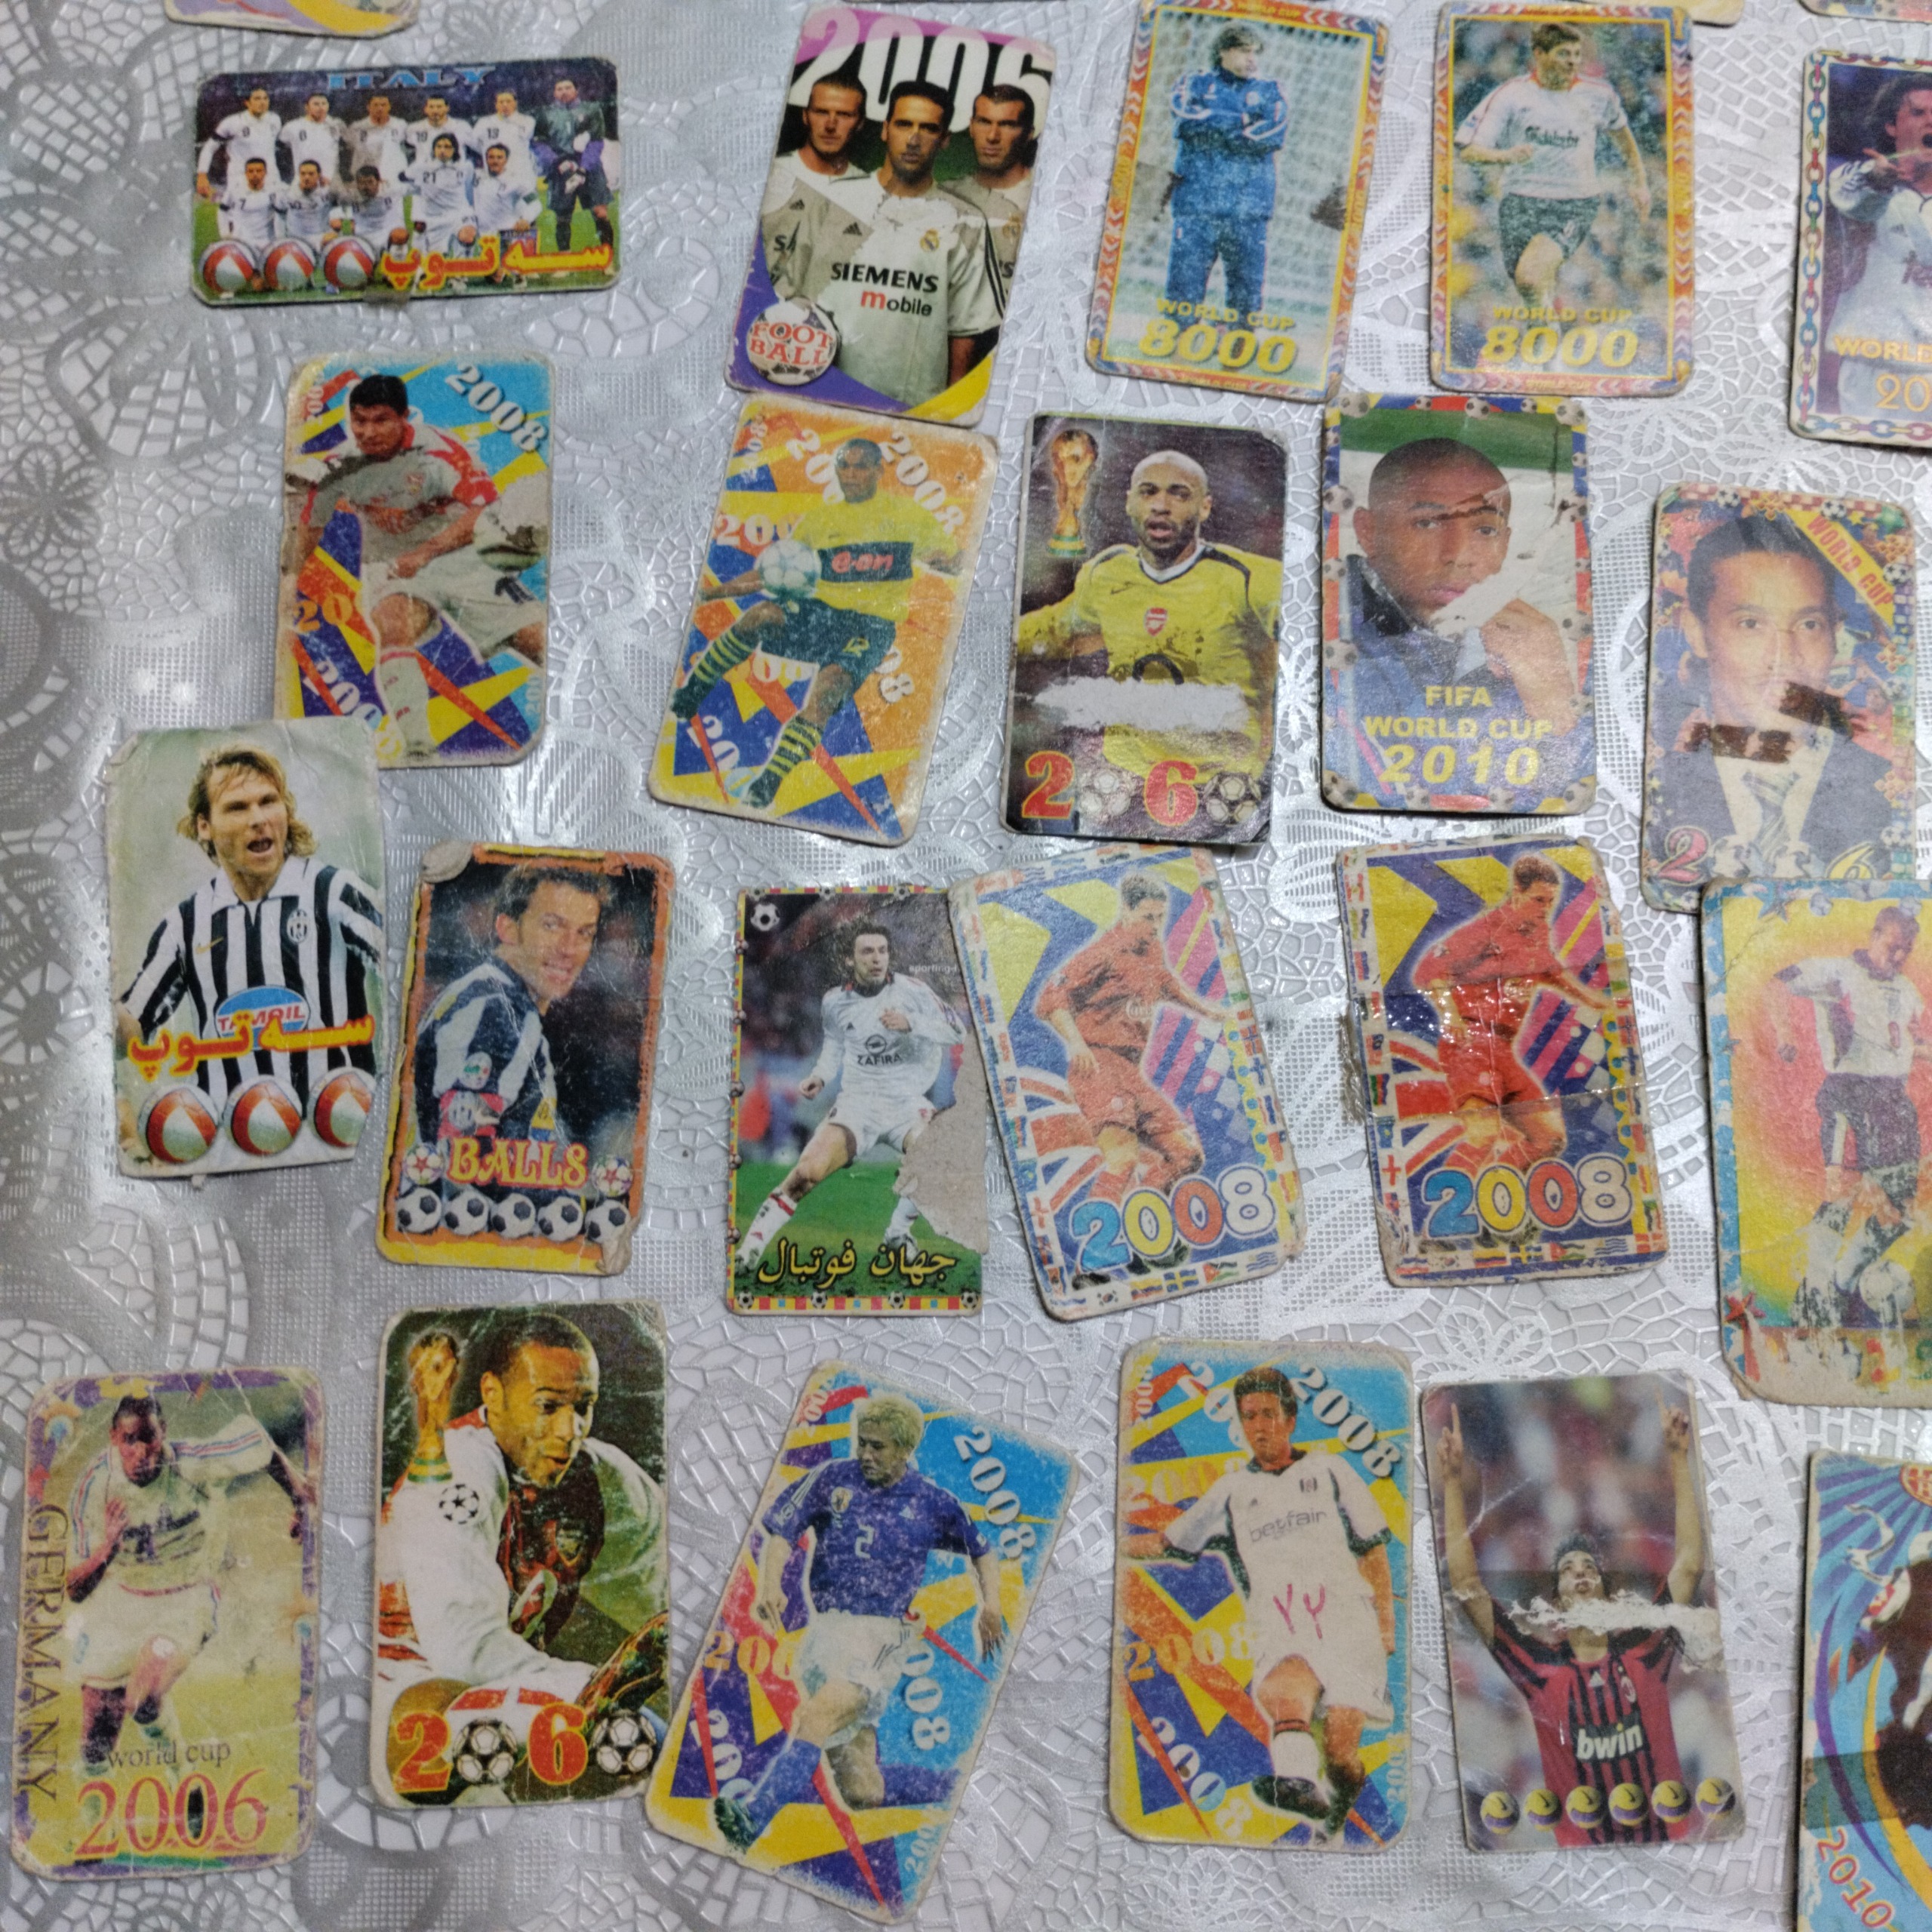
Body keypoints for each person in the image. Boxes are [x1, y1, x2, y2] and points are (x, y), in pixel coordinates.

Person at [374, 1312, 666, 1795]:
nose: (570, 1429)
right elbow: (463, 1649)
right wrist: (585, 1686)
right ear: (493, 1394)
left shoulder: (599, 1478)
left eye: (584, 1407)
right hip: (408, 1686)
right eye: (548, 1406)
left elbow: (668, 1602)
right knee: (435, 1710)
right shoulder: (456, 1471)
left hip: (508, 1688)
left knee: (648, 1736)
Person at [712, 1393, 1002, 1848]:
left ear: (905, 1449)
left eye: (878, 1447)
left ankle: (754, 1816)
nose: (866, 1454)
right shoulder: (833, 1479)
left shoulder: (930, 1501)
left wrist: (992, 1605)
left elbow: (982, 1549)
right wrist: (770, 1584)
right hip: (825, 1634)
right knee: (863, 1790)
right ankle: (958, 1785)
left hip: (878, 1635)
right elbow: (782, 1531)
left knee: (816, 1716)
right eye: (862, 1443)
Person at [1124, 1367, 1395, 1832]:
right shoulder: (1231, 1492)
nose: (1259, 1426)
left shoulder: (1330, 1471)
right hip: (1284, 1628)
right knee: (1284, 1694)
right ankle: (1297, 1784)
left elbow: (1372, 1549)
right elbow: (1169, 1542)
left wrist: (1386, 1625)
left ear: (1290, 1420)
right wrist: (1116, 1544)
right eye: (1249, 1417)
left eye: (1268, 1414)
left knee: (1339, 1752)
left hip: (1348, 1626)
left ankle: (1340, 1796)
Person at [1435, 1397, 1705, 1847]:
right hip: (1580, 1856)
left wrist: (1678, 1461)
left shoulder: (1644, 1653)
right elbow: (1466, 1585)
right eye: (1567, 1571)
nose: (1580, 1575)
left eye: (1589, 1570)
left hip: (1662, 1845)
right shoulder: (1540, 1668)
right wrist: (1450, 1483)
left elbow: (1690, 1562)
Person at [669, 435, 958, 811]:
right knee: (762, 614)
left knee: (829, 688)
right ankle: (692, 692)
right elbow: (771, 574)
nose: (850, 475)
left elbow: (948, 558)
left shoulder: (908, 515)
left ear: (878, 471)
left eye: (860, 467)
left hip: (871, 625)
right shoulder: (820, 520)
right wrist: (713, 593)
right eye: (844, 466)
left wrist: (953, 562)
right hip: (819, 614)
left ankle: (770, 779)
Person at [118, 742, 383, 1118]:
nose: (258, 818)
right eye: (237, 807)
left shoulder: (336, 894)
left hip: (336, 1129)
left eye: (268, 801)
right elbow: (132, 1024)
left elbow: (409, 966)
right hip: (231, 1138)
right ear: (204, 826)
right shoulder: (185, 924)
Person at [1016, 448, 1280, 815]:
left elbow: (1307, 632)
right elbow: (1055, 629)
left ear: (1204, 507)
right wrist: (999, 636)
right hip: (1125, 782)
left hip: (1223, 787)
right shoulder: (1106, 573)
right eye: (1148, 491)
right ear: (1129, 502)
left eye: (1179, 494)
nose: (1161, 505)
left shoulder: (1248, 579)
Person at [292, 371, 544, 756]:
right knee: (393, 623)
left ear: (404, 417)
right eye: (359, 421)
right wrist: (289, 578)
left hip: (462, 557)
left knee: (536, 639)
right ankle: (419, 747)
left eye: (381, 420)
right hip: (390, 565)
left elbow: (482, 511)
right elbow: (311, 526)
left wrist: (426, 553)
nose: (368, 432)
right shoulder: (339, 466)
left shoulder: (440, 451)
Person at [1646, 515, 1896, 891]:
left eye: (1808, 625)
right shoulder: (1659, 786)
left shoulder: (1888, 790)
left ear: (1835, 636)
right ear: (1696, 633)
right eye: (1750, 623)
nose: (1784, 657)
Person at [66, 1393, 313, 1768]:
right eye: (129, 1440)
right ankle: (95, 1802)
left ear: (163, 1433)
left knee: (143, 1700)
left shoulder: (194, 1462)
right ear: (114, 1437)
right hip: (122, 1602)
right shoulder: (94, 1485)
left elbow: (257, 1441)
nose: (141, 1452)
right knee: (94, 1749)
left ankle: (181, 1775)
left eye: (149, 1438)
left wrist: (299, 1499)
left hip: (186, 1596)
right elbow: (75, 1589)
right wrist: (107, 1550)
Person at [734, 919, 965, 1275]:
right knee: (806, 1173)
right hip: (858, 1103)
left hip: (906, 1102)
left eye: (882, 951)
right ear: (849, 958)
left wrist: (912, 1023)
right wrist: (819, 1076)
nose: (877, 958)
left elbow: (956, 1030)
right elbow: (835, 1046)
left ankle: (897, 1235)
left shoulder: (914, 991)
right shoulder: (835, 1002)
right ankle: (748, 1252)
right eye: (867, 951)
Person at [763, 79, 1001, 408]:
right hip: (820, 391)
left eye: (928, 128)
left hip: (909, 405)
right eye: (904, 124)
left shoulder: (965, 221)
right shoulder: (831, 200)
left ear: (945, 139)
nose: (914, 139)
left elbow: (966, 332)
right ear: (885, 130)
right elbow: (786, 301)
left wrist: (948, 415)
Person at [1342, 437, 1583, 758]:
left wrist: (1555, 706)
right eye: (1426, 523)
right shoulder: (1331, 623)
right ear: (1368, 531)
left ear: (1505, 544)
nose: (1458, 556)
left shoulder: (1525, 640)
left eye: (1485, 530)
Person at [1035, 872, 1229, 1223]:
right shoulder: (1103, 952)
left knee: (1187, 1156)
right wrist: (1077, 1044)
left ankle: (1140, 1219)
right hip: (1098, 1066)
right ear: (1126, 910)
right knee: (1123, 1159)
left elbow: (1164, 981)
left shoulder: (1151, 948)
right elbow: (1051, 997)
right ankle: (1093, 1246)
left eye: (1160, 917)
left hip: (1130, 1073)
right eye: (1147, 917)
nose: (1155, 926)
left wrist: (1208, 1011)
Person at [1774, 905, 1930, 1329]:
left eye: (1907, 950)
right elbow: (1777, 984)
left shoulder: (1906, 990)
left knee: (1898, 1212)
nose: (1899, 956)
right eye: (1893, 946)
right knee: (1840, 1195)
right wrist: (1785, 1033)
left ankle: (1841, 1288)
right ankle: (1815, 1293)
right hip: (1850, 1093)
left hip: (1894, 1101)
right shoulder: (1838, 972)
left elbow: (1901, 1046)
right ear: (1875, 935)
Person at [1411, 852, 1607, 1175]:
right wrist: (1451, 1016)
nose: (1545, 909)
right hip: (1472, 1044)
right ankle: (1454, 1192)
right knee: (1484, 1134)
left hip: (1503, 1050)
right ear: (1517, 892)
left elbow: (1552, 970)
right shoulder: (1486, 929)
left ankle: (1496, 1186)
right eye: (1538, 900)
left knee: (1550, 1139)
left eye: (1551, 901)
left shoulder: (1538, 933)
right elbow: (1429, 971)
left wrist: (1599, 1002)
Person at [411, 864, 609, 1172]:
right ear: (508, 929)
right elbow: (463, 1169)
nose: (569, 949)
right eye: (552, 926)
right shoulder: (496, 1012)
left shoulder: (492, 996)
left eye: (584, 933)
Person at [1454, 22, 1651, 312]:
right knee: (1530, 289)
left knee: (1530, 277)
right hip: (1520, 204)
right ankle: (1546, 331)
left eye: (1576, 54)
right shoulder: (1511, 95)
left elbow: (1625, 141)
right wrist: (1506, 156)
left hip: (1572, 203)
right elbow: (1470, 151)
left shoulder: (1598, 95)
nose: (1572, 61)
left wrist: (1640, 182)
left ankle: (1546, 331)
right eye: (1563, 54)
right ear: (1539, 55)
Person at [1824, 78, 1932, 417]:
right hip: (1875, 363)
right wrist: (1879, 183)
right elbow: (1859, 206)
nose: (1930, 122)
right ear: (1891, 126)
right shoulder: (1857, 178)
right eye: (1918, 113)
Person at [1165, 26, 1287, 325]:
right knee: (1183, 293)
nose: (1252, 59)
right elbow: (1185, 119)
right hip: (1197, 206)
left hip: (1248, 210)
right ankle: (1176, 346)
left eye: (1255, 53)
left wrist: (1213, 121)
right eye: (1245, 51)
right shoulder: (1194, 83)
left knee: (1246, 298)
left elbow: (1270, 134)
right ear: (1223, 51)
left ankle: (1238, 347)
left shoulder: (1270, 92)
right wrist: (1242, 121)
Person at [946, 84, 1038, 309]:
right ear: (971, 127)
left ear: (1029, 133)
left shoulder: (1043, 202)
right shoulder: (946, 197)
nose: (992, 136)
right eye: (984, 122)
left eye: (1007, 125)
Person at [761, 73, 869, 217]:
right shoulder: (772, 172)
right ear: (805, 116)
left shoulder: (867, 191)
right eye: (821, 112)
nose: (830, 125)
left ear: (860, 123)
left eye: (844, 115)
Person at [534, 75, 614, 254]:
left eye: (568, 87)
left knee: (600, 212)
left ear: (576, 90)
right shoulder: (545, 114)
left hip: (590, 169)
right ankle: (565, 259)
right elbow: (539, 143)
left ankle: (607, 257)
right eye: (559, 89)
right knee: (563, 217)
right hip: (561, 169)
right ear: (554, 93)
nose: (564, 92)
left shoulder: (591, 110)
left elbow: (596, 142)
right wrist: (555, 161)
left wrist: (584, 168)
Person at [195, 85, 281, 200]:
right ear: (247, 103)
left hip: (270, 178)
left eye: (265, 98)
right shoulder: (232, 123)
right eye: (257, 99)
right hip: (240, 180)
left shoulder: (275, 120)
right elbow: (209, 148)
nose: (262, 102)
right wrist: (202, 175)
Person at [405, 131, 480, 260]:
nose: (442, 150)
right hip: (435, 219)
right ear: (433, 149)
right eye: (439, 146)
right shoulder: (421, 167)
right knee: (435, 260)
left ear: (455, 149)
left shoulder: (465, 167)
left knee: (467, 236)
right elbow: (404, 178)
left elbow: (469, 188)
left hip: (459, 214)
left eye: (447, 147)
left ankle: (462, 268)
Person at [472, 143, 543, 278]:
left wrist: (525, 219)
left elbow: (536, 203)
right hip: (486, 234)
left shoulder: (516, 180)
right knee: (493, 275)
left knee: (515, 270)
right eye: (491, 157)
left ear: (506, 160)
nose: (495, 161)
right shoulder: (477, 176)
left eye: (499, 157)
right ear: (486, 159)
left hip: (508, 229)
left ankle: (520, 262)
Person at [214, 155, 278, 278]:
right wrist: (225, 233)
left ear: (265, 173)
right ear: (246, 173)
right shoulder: (235, 190)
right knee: (242, 280)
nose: (255, 174)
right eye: (251, 171)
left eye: (259, 171)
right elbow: (222, 211)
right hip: (242, 242)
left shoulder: (275, 191)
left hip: (268, 242)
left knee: (272, 282)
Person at [468, 87, 538, 190]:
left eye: (508, 101)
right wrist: (486, 150)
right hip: (495, 172)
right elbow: (473, 143)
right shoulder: (484, 122)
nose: (505, 105)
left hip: (520, 172)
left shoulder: (527, 121)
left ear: (515, 103)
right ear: (496, 104)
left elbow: (525, 135)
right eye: (501, 102)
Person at [340, 162, 408, 254]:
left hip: (387, 229)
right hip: (363, 233)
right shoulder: (349, 195)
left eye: (370, 182)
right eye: (361, 183)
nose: (366, 187)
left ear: (379, 181)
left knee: (400, 235)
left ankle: (395, 256)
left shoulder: (391, 189)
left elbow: (415, 186)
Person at [344, 93, 410, 184]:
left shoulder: (400, 125)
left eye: (383, 105)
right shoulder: (357, 127)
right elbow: (349, 149)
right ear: (368, 107)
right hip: (364, 177)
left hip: (393, 175)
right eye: (376, 105)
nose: (380, 108)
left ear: (389, 107)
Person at [280, 93, 344, 185]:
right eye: (316, 104)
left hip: (331, 181)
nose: (321, 107)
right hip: (304, 181)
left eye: (324, 104)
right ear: (307, 107)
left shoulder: (337, 125)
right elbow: (283, 147)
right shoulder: (292, 127)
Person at [408, 93, 473, 174]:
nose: (435, 111)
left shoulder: (462, 127)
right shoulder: (414, 129)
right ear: (425, 109)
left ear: (447, 108)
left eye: (439, 107)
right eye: (431, 107)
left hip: (454, 175)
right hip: (425, 176)